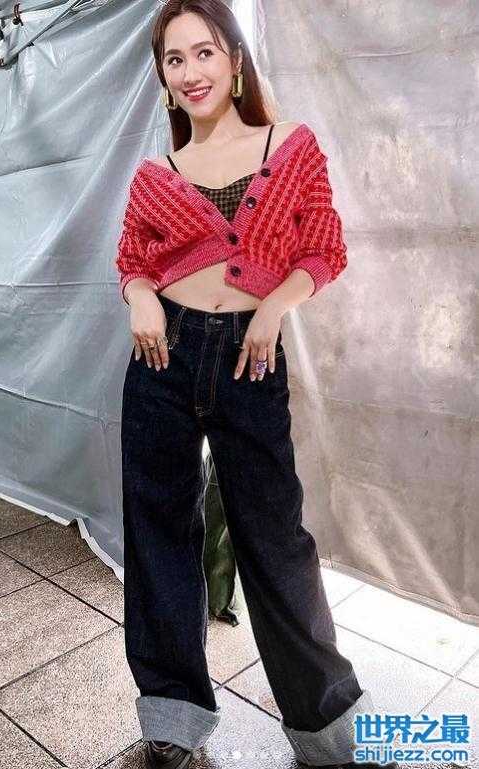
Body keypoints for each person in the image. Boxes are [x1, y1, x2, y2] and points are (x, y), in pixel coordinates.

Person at [116, 2, 399, 769]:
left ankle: (326, 726)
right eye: (174, 59)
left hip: (250, 361)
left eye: (203, 52)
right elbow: (133, 260)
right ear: (163, 78)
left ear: (234, 61)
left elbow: (323, 245)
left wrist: (273, 305)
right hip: (161, 362)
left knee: (275, 539)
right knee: (158, 535)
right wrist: (139, 295)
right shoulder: (154, 174)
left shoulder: (291, 145)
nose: (191, 71)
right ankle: (172, 717)